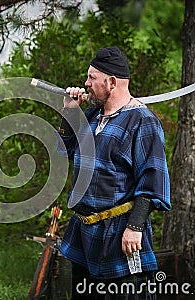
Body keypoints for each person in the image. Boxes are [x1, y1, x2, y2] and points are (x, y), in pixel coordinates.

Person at [56, 46, 171, 299]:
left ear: (111, 82)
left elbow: (153, 180)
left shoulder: (143, 120)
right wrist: (69, 111)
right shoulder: (92, 116)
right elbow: (61, 154)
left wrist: (135, 226)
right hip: (85, 233)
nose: (85, 84)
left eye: (92, 78)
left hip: (120, 234)